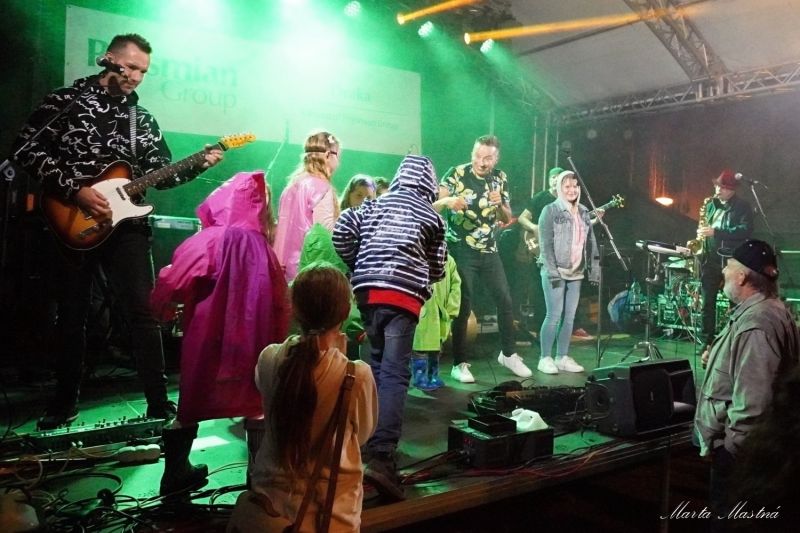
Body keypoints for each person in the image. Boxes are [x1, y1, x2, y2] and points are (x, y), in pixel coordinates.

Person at [11, 34, 223, 429]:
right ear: (109, 59)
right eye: (132, 67)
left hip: (127, 226)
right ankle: (63, 403)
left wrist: (198, 165)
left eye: (144, 71)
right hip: (70, 220)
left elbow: (162, 174)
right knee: (72, 314)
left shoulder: (141, 120)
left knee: (143, 312)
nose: (137, 77)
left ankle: (158, 403)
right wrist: (75, 190)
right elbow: (25, 148)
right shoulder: (66, 101)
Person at [150, 171, 290, 495]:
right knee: (255, 403)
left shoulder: (209, 239)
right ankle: (257, 477)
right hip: (254, 340)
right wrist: (280, 338)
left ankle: (176, 474)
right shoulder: (263, 247)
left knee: (192, 401)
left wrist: (161, 308)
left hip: (206, 339)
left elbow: (174, 280)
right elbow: (281, 299)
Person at [333, 154, 447, 501]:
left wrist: (359, 263)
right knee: (395, 373)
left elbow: (342, 230)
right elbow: (439, 266)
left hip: (368, 292)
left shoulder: (375, 204)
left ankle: (362, 444)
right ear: (428, 183)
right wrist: (420, 271)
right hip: (403, 298)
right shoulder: (431, 215)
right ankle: (382, 457)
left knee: (375, 370)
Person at [247, 263, 378, 532]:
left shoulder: (269, 358)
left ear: (294, 307)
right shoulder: (356, 375)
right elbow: (362, 435)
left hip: (269, 510)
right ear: (345, 312)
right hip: (331, 516)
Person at [694, 239, 799, 526]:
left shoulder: (757, 323)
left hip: (740, 459)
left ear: (741, 276)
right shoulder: (768, 311)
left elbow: (754, 402)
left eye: (728, 266)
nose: (723, 271)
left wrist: (729, 450)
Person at [438, 135, 532, 383]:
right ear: (472, 154)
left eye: (487, 158)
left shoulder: (499, 178)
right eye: (478, 156)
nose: (481, 162)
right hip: (462, 248)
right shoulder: (457, 173)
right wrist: (448, 201)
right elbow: (434, 204)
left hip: (489, 249)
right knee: (464, 304)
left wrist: (500, 205)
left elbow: (506, 218)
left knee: (505, 299)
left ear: (496, 159)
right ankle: (459, 363)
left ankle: (508, 354)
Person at [518, 166, 601, 341]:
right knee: (542, 291)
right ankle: (541, 329)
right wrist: (535, 227)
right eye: (553, 177)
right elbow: (522, 218)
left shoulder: (570, 201)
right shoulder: (541, 198)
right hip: (543, 251)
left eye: (559, 177)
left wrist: (594, 220)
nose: (556, 180)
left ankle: (570, 328)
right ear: (549, 180)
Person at [535, 170, 600, 375]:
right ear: (559, 188)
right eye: (567, 186)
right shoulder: (550, 210)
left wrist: (594, 270)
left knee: (569, 317)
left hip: (576, 272)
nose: (571, 190)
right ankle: (545, 357)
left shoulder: (583, 211)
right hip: (555, 270)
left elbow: (590, 242)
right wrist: (552, 271)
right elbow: (545, 244)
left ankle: (562, 356)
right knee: (553, 315)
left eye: (574, 186)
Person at [695, 169, 754, 349]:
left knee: (734, 302)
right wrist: (701, 236)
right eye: (717, 186)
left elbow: (745, 230)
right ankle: (707, 341)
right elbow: (707, 226)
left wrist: (716, 232)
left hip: (731, 261)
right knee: (707, 303)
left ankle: (735, 340)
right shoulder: (710, 205)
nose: (717, 190)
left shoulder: (743, 206)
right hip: (710, 260)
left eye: (722, 187)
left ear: (731, 190)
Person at [273, 131, 341, 281]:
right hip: (308, 270)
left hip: (282, 269)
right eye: (338, 155)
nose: (339, 161)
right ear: (328, 155)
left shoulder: (291, 186)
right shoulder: (321, 188)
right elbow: (325, 233)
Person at [411, 254, 461, 390]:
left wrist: (452, 308)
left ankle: (433, 375)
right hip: (422, 310)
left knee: (437, 347)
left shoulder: (448, 260)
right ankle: (420, 377)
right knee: (420, 347)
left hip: (440, 313)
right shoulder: (416, 257)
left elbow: (456, 284)